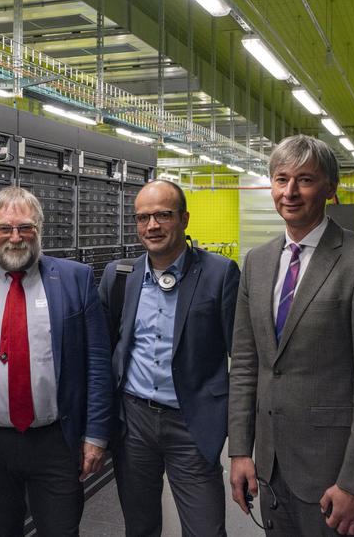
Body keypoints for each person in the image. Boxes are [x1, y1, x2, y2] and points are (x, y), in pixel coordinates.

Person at [229, 135, 354, 536]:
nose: (290, 192)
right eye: (281, 178)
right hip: (271, 467)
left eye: (305, 180)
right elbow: (246, 365)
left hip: (334, 476)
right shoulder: (257, 263)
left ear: (329, 188)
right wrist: (240, 450)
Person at [0, 186, 113, 536]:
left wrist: (96, 435)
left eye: (25, 227)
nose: (15, 237)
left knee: (61, 530)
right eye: (4, 229)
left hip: (55, 440)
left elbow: (98, 363)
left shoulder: (75, 278)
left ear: (40, 228)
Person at [98, 180, 239, 536]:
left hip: (191, 424)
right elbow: (102, 355)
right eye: (143, 217)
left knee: (205, 529)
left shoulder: (219, 274)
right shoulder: (119, 277)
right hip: (134, 424)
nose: (152, 226)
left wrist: (240, 441)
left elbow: (244, 359)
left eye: (163, 215)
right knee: (140, 526)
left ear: (184, 218)